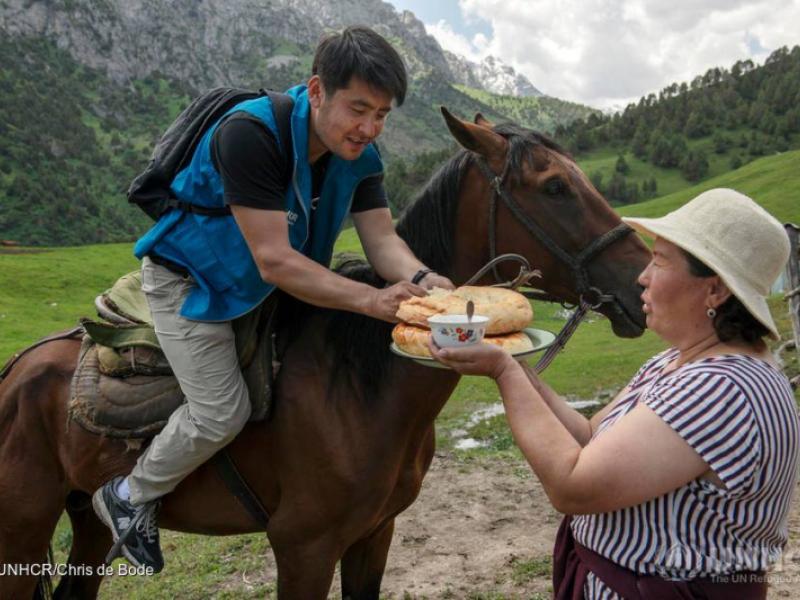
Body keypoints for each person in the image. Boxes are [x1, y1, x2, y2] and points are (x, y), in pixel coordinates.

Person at [92, 25, 453, 572]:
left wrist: (427, 279)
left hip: (267, 286)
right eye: (359, 108)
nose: (369, 127)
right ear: (316, 89)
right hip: (192, 284)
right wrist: (372, 302)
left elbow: (382, 241)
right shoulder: (251, 134)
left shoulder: (361, 155)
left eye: (381, 114)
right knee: (221, 411)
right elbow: (275, 260)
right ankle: (129, 495)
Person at [429, 188, 798, 599]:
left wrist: (502, 372)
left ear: (714, 291)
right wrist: (516, 365)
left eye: (659, 261)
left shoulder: (722, 388)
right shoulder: (678, 363)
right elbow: (588, 437)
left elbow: (573, 486)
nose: (643, 275)